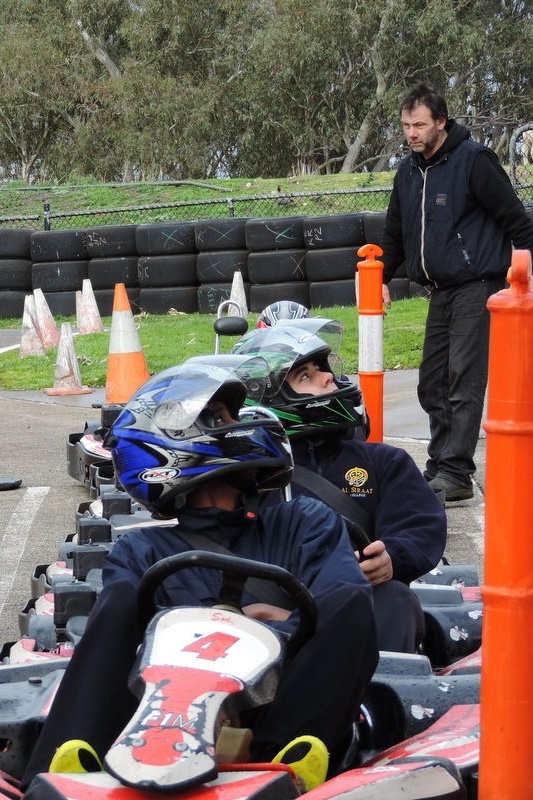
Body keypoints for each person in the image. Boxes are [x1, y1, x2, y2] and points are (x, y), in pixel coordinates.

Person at [21, 358, 378, 794]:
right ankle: (69, 757)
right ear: (174, 443)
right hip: (164, 709)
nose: (241, 427)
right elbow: (126, 639)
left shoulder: (303, 521)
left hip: (280, 698)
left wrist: (271, 631)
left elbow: (341, 597)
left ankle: (286, 760)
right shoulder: (142, 549)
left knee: (352, 603)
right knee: (115, 607)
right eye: (222, 419)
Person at [232, 319, 447, 654]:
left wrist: (392, 557)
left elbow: (417, 525)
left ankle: (376, 698)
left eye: (322, 367)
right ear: (270, 396)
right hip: (264, 617)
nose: (327, 376)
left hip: (355, 603)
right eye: (306, 375)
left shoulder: (384, 462)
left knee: (395, 598)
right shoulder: (245, 476)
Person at [380, 81, 533, 501]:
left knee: (463, 382)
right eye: (406, 125)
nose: (411, 133)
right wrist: (381, 277)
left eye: (419, 125)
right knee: (431, 384)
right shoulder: (408, 171)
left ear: (441, 123)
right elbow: (395, 231)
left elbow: (518, 222)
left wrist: (522, 274)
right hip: (439, 290)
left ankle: (456, 473)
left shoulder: (474, 161)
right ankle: (439, 465)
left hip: (478, 286)